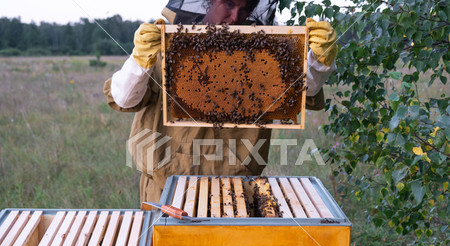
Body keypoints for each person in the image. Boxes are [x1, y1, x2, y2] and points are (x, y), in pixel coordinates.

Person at [103, 0, 338, 204]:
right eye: (228, 4)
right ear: (206, 2)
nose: (236, 17)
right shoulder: (170, 43)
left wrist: (317, 63)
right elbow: (125, 99)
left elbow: (301, 92)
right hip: (166, 192)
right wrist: (139, 60)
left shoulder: (265, 55)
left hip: (237, 192)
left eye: (245, 8)